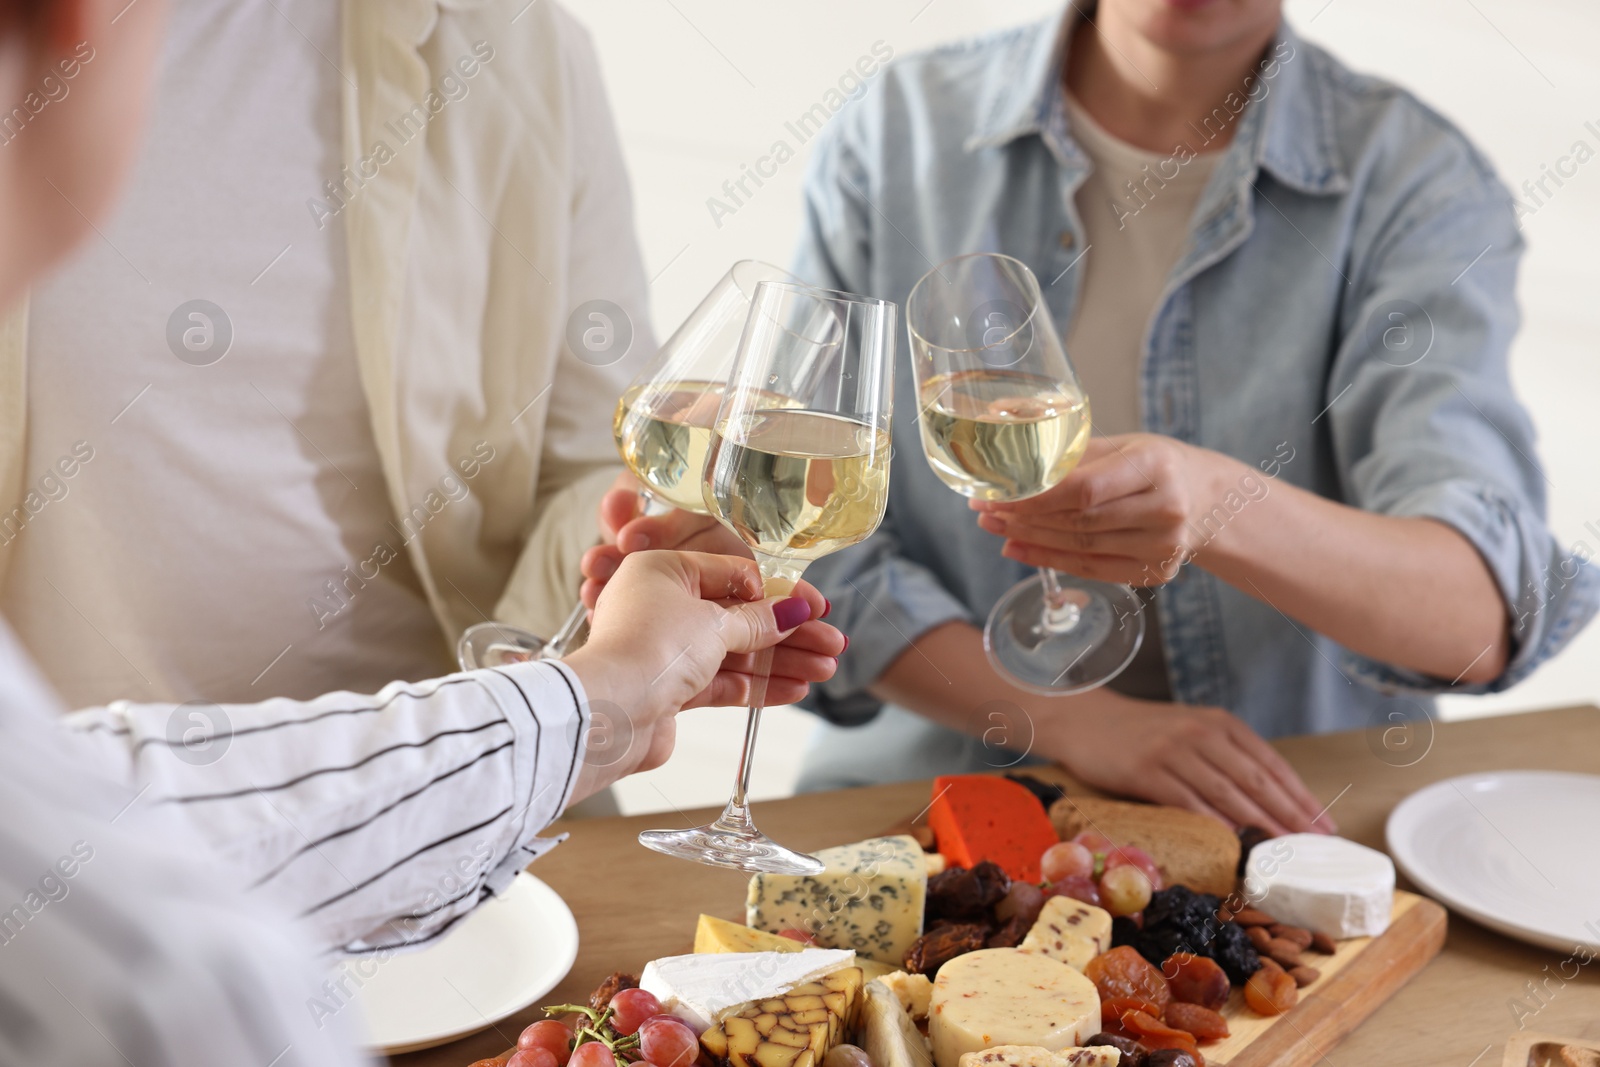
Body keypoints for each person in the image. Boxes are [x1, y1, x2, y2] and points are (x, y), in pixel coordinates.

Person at [0, 1, 844, 1062]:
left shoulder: (512, 44)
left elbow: (595, 453)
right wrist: (601, 698)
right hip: (85, 851)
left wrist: (629, 581)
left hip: (489, 881)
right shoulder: (51, 57)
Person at [586, 0, 1598, 835]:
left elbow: (1480, 615)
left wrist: (1217, 505)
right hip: (924, 805)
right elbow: (833, 534)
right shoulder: (901, 131)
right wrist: (1078, 721)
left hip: (1281, 822)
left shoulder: (1415, 180)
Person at [0, 0, 654, 713]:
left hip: (439, 792)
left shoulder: (516, 47)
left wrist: (651, 534)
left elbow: (596, 463)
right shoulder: (36, 37)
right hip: (56, 799)